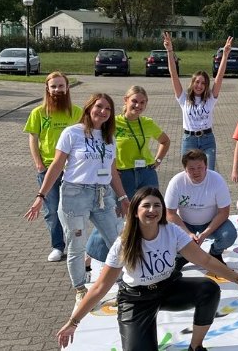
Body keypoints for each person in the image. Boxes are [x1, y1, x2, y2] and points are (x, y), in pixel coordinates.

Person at [55, 187, 238, 351]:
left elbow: (205, 260)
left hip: (167, 288)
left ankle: (196, 346)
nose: (152, 210)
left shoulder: (171, 231)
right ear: (135, 212)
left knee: (209, 290)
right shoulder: (124, 243)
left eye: (157, 205)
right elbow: (100, 286)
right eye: (146, 206)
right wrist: (73, 321)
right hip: (136, 300)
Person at [25, 93, 129, 303]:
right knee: (76, 244)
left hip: (103, 195)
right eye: (99, 107)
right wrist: (41, 196)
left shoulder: (109, 138)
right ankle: (80, 287)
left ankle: (123, 282)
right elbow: (56, 166)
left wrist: (123, 197)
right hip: (75, 194)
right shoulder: (72, 133)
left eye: (108, 109)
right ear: (89, 108)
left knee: (117, 241)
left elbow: (113, 171)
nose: (103, 112)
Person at [85, 85, 172, 263]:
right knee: (114, 215)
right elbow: (102, 147)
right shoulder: (113, 123)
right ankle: (92, 253)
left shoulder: (147, 123)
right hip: (123, 176)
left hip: (146, 173)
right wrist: (110, 167)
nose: (138, 106)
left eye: (142, 103)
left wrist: (158, 160)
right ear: (126, 100)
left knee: (150, 212)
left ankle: (145, 250)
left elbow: (165, 140)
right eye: (134, 101)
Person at [25, 71, 82, 262]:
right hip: (48, 168)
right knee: (51, 210)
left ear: (67, 88)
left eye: (61, 86)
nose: (57, 89)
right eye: (54, 86)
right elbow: (33, 139)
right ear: (47, 89)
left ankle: (76, 244)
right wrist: (39, 164)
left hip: (72, 169)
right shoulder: (38, 113)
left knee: (71, 209)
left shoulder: (76, 112)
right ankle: (57, 246)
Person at [164, 32, 232, 171]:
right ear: (192, 83)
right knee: (189, 174)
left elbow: (219, 77)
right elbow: (174, 75)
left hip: (208, 140)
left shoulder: (210, 99)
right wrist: (170, 51)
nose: (199, 85)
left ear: (206, 85)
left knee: (209, 173)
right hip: (189, 140)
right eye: (197, 82)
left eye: (203, 83)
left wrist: (225, 55)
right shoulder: (183, 98)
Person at [164, 149, 237, 271]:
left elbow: (224, 212)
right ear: (185, 169)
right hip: (185, 223)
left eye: (200, 167)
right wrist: (188, 234)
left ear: (206, 166)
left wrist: (204, 234)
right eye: (191, 168)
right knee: (166, 234)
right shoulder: (176, 182)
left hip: (210, 222)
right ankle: (182, 255)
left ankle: (215, 252)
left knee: (228, 235)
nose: (196, 172)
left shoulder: (217, 180)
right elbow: (170, 214)